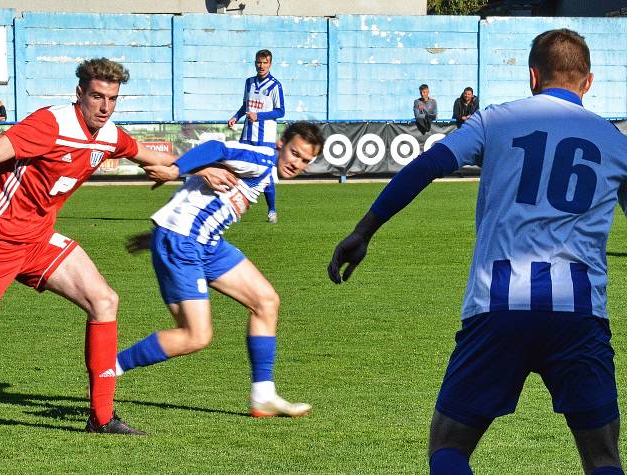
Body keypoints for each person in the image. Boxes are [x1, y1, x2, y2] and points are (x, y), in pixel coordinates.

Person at [0, 58, 236, 441]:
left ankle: (101, 416)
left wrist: (197, 171)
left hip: (37, 238)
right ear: (79, 93)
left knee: (104, 300)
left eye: (112, 99)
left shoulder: (110, 136)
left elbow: (155, 161)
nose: (104, 106)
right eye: (97, 96)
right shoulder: (51, 124)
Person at [328, 29, 627, 474]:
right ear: (589, 82)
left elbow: (427, 165)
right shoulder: (615, 142)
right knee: (602, 458)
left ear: (532, 76)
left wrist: (364, 229)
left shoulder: (496, 120)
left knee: (448, 446)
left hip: (499, 305)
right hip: (578, 313)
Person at [117, 122, 324, 417]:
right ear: (281, 144)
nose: (297, 162)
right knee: (195, 336)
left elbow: (203, 195)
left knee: (265, 301)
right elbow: (216, 148)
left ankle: (263, 396)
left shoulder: (266, 172)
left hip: (206, 243)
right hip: (185, 242)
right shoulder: (261, 158)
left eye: (305, 160)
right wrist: (175, 171)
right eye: (294, 153)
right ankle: (108, 370)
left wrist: (157, 234)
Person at [227, 49, 285, 224]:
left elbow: (280, 111)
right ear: (255, 63)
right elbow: (245, 106)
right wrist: (236, 117)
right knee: (239, 171)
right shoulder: (249, 83)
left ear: (270, 64)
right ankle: (235, 209)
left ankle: (272, 211)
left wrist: (258, 116)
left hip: (265, 137)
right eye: (259, 62)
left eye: (265, 62)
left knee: (266, 176)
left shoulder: (275, 86)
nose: (261, 65)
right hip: (247, 135)